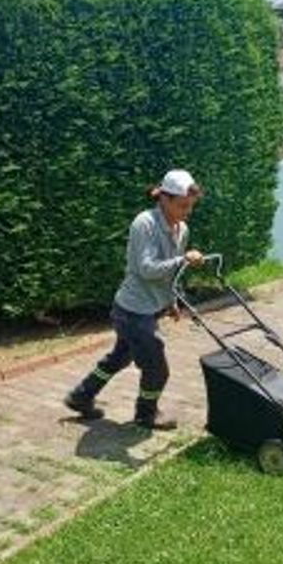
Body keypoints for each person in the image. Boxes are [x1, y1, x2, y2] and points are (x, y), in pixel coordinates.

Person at [63, 169, 205, 430]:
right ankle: (146, 415)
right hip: (132, 311)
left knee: (119, 358)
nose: (188, 212)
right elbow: (147, 269)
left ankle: (80, 396)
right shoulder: (145, 223)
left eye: (191, 206)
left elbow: (169, 273)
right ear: (165, 199)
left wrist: (171, 301)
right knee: (157, 368)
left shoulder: (181, 228)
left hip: (148, 309)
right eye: (183, 205)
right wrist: (182, 259)